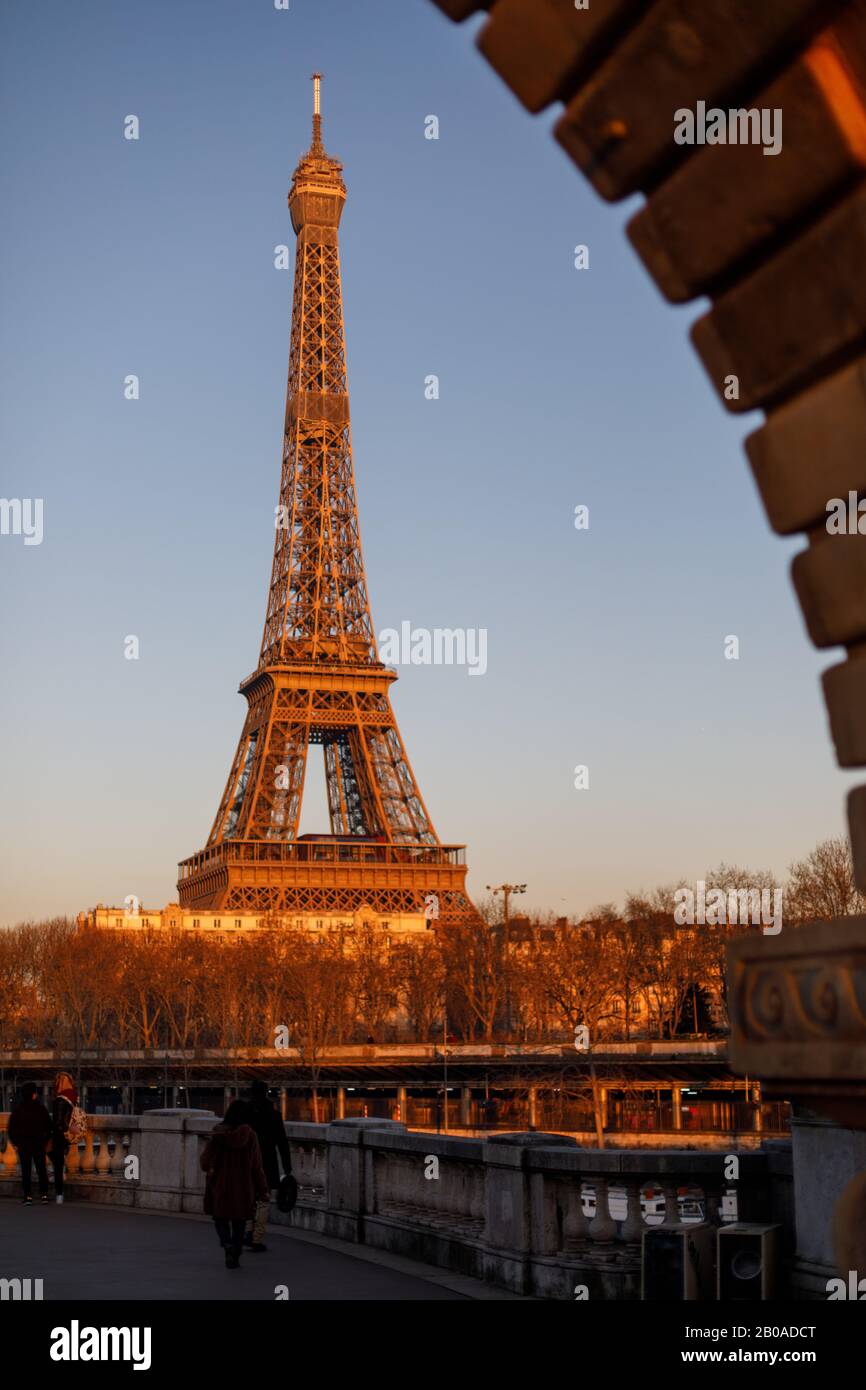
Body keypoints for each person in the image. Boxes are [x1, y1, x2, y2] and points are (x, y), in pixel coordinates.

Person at [200, 1099, 269, 1269]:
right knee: (239, 1222)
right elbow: (256, 1166)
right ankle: (235, 1254)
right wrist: (263, 1189)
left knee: (220, 1218)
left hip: (221, 1185)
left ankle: (226, 1243)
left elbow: (204, 1162)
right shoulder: (250, 1135)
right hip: (244, 1187)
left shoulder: (218, 1134)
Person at [243, 1081, 292, 1252]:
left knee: (248, 1197)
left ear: (250, 1093)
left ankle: (248, 1231)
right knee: (264, 1199)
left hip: (246, 1160)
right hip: (267, 1162)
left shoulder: (244, 1113)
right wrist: (287, 1168)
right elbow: (282, 1143)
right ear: (266, 1093)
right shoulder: (274, 1115)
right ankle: (257, 1238)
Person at [8, 1082, 52, 1205]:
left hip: (23, 1145)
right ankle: (44, 1195)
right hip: (38, 1144)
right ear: (34, 1094)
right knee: (41, 1170)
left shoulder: (18, 1110)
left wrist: (16, 1143)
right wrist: (45, 1141)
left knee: (26, 1171)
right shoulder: (41, 1109)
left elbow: (11, 1129)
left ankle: (28, 1197)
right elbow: (49, 1127)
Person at [49, 1071, 78, 1204]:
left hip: (59, 1135)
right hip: (67, 1136)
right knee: (59, 1164)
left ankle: (59, 1194)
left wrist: (68, 1128)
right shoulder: (72, 1099)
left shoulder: (60, 1100)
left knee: (58, 1165)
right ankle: (59, 1192)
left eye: (65, 1081)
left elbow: (58, 1122)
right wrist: (71, 1128)